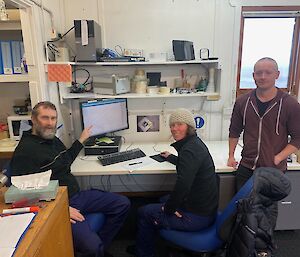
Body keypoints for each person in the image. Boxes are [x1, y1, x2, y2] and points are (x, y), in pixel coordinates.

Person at [10, 101, 130, 257]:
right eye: (45, 118)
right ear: (33, 119)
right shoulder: (25, 152)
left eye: (53, 118)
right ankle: (95, 249)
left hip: (75, 196)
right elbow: (20, 195)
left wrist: (81, 141)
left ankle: (100, 247)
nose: (50, 123)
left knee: (123, 204)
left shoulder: (51, 139)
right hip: (58, 205)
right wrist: (60, 208)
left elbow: (65, 160)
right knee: (92, 247)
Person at [133, 108, 219, 257]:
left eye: (179, 124)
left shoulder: (189, 150)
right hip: (204, 208)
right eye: (172, 125)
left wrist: (169, 209)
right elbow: (189, 165)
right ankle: (156, 240)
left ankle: (144, 252)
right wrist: (171, 158)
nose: (174, 129)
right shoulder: (194, 144)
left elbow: (183, 185)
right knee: (163, 199)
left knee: (143, 212)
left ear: (189, 127)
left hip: (196, 217)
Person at [228, 57, 300, 191]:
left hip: (273, 170)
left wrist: (278, 158)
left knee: (266, 210)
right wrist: (231, 155)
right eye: (259, 73)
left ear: (277, 75)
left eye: (268, 72)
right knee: (243, 207)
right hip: (247, 167)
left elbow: (297, 138)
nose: (262, 77)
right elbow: (234, 131)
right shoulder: (243, 101)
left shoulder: (290, 104)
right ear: (253, 75)